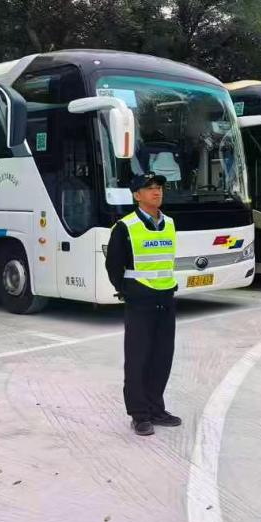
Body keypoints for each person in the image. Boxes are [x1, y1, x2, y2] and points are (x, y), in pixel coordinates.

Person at [104, 173, 182, 436]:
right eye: (150, 189)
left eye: (159, 188)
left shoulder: (169, 223)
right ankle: (139, 415)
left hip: (166, 299)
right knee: (138, 359)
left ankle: (156, 409)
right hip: (140, 301)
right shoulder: (125, 227)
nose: (157, 192)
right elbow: (113, 266)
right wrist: (129, 291)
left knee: (162, 357)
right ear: (137, 195)